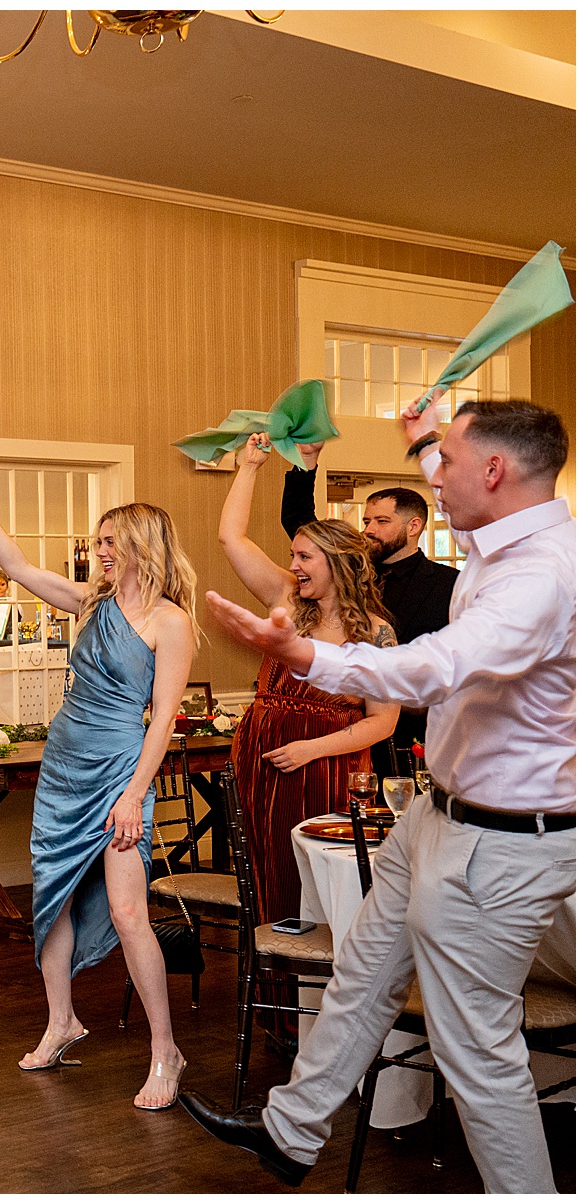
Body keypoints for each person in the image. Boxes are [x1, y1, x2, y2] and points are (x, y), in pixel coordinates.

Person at [185, 397, 575, 1193]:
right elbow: (461, 497)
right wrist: (432, 437)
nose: (435, 480)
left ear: (495, 472)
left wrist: (306, 657)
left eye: (451, 464)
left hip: (498, 842)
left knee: (476, 1052)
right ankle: (292, 1131)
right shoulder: (501, 540)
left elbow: (436, 666)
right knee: (362, 969)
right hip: (438, 812)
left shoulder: (543, 574)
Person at [0, 480, 198, 1111]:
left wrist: (133, 794)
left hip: (120, 773)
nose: (101, 550)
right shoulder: (89, 602)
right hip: (63, 768)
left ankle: (165, 1051)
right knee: (53, 900)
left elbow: (163, 721)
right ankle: (61, 1020)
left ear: (144, 544)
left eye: (112, 540)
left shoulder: (171, 623)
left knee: (127, 913)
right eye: (99, 540)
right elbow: (17, 567)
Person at [218, 433, 399, 924]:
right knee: (267, 871)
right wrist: (250, 467)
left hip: (326, 766)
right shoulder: (284, 599)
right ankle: (275, 989)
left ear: (338, 565)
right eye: (293, 556)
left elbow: (383, 723)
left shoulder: (377, 633)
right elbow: (231, 538)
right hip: (263, 758)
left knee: (318, 878)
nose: (292, 566)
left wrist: (310, 750)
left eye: (304, 558)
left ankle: (326, 991)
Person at [280, 443, 458, 775]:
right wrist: (306, 461)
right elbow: (298, 520)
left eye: (381, 521)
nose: (369, 529)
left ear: (413, 526)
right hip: (334, 740)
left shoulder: (450, 584)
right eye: (366, 520)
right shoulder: (346, 570)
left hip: (411, 740)